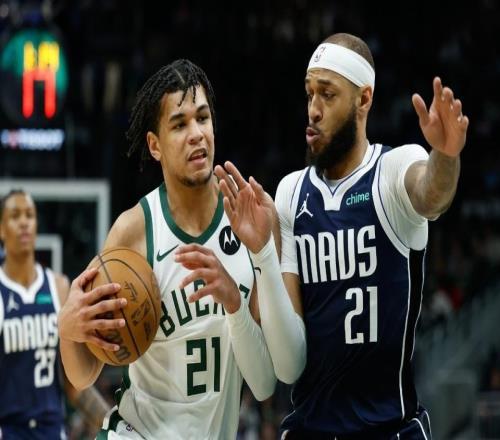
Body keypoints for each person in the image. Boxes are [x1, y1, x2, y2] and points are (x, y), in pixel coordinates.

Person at [215, 32, 468, 439]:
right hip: (310, 428)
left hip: (389, 428)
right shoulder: (290, 191)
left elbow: (430, 193)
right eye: (309, 94)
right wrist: (262, 253)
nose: (313, 110)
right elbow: (289, 365)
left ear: (363, 99)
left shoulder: (392, 169)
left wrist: (446, 155)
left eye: (328, 94)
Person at [57, 59, 282, 439]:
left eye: (203, 118)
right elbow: (84, 375)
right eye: (179, 124)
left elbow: (265, 380)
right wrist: (68, 330)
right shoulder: (133, 232)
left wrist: (236, 302)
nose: (196, 134)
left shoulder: (250, 219)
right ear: (155, 145)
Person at [0, 190, 110, 439]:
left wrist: (112, 423)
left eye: (30, 215)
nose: (24, 222)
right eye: (15, 216)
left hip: (52, 432)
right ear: (1, 229)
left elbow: (74, 385)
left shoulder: (58, 286)